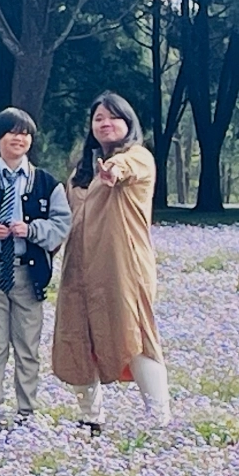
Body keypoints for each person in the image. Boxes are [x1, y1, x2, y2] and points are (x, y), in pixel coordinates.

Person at [52, 91, 171, 430]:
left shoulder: (138, 157)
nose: (105, 123)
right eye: (99, 118)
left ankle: (159, 419)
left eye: (113, 117)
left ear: (128, 122)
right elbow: (67, 217)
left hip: (122, 266)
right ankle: (90, 419)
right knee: (77, 337)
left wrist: (113, 172)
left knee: (135, 336)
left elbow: (125, 168)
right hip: (78, 267)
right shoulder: (81, 171)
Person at [0, 107, 71, 420]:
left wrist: (32, 230)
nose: (19, 138)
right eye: (12, 132)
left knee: (28, 347)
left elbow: (62, 224)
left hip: (29, 273)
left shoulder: (47, 184)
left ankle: (27, 409)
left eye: (25, 133)